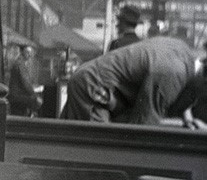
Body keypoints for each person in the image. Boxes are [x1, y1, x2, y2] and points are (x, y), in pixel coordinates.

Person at [60, 36, 203, 125]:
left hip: (94, 84)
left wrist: (187, 117)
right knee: (100, 153)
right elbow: (143, 125)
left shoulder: (183, 51)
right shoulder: (173, 73)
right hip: (93, 90)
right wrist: (179, 123)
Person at [7, 43, 42, 116]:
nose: (30, 55)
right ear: (22, 52)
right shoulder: (20, 64)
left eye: (31, 53)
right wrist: (35, 96)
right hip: (18, 98)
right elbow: (25, 83)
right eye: (27, 52)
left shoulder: (20, 63)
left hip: (17, 97)